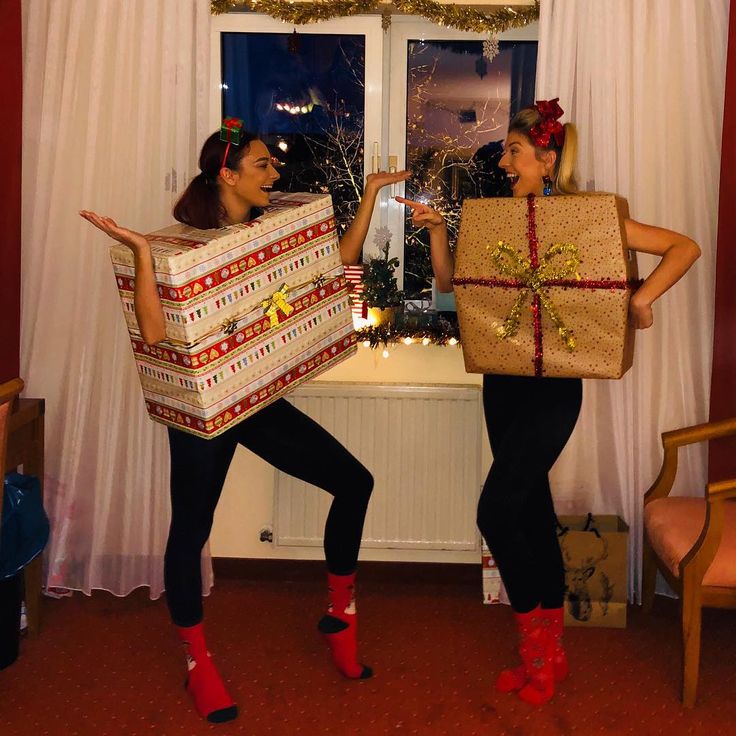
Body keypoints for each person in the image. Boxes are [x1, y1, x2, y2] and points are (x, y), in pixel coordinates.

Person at [80, 128, 409, 723]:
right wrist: (143, 255)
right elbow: (154, 336)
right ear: (227, 175)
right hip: (203, 414)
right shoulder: (185, 248)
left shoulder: (267, 228)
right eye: (262, 166)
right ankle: (196, 662)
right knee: (192, 528)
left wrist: (369, 199)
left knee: (354, 482)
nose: (275, 177)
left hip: (253, 397)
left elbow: (332, 265)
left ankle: (339, 616)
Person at [397, 98, 700, 706]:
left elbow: (683, 247)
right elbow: (455, 289)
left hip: (554, 388)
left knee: (495, 511)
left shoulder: (588, 218)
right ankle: (544, 653)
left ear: (546, 157)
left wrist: (641, 301)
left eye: (513, 150)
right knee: (529, 511)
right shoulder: (495, 220)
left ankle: (539, 646)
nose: (504, 161)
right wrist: (436, 231)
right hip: (502, 383)